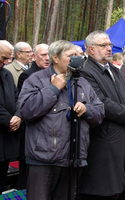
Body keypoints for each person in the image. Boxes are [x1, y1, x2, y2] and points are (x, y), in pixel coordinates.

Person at [18, 40, 105, 200]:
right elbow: (26, 110)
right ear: (55, 58)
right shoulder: (36, 79)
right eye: (71, 55)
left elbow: (100, 112)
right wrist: (53, 89)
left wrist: (87, 110)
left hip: (73, 158)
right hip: (43, 159)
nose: (76, 58)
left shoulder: (82, 82)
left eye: (77, 55)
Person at [79, 30, 125, 199]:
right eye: (103, 45)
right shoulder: (86, 71)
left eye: (110, 45)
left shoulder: (114, 69)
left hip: (120, 137)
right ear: (91, 49)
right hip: (103, 140)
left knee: (117, 189)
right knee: (102, 190)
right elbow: (101, 102)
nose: (109, 48)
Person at [16, 43, 50, 190]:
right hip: (32, 132)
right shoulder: (28, 76)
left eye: (49, 54)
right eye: (43, 55)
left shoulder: (53, 74)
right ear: (34, 57)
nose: (47, 58)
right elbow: (27, 107)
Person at [0, 40, 22, 194]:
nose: (7, 62)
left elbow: (17, 98)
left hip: (6, 140)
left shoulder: (6, 74)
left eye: (9, 58)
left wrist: (19, 115)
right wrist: (8, 120)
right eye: (3, 58)